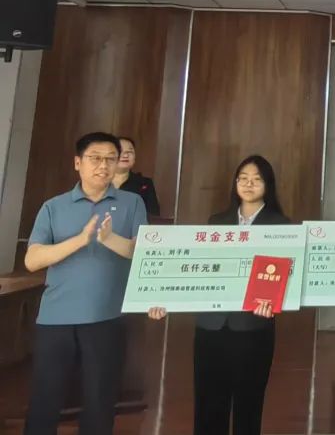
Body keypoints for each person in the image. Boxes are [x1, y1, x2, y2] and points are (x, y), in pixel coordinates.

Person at [147, 155, 288, 435]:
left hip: (252, 326)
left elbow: (284, 274)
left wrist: (272, 302)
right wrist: (164, 299)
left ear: (268, 185)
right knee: (208, 402)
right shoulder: (217, 222)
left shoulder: (281, 226)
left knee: (248, 403)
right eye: (243, 178)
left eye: (256, 179)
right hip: (210, 326)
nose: (248, 184)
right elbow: (199, 271)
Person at [23, 132, 148, 435]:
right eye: (95, 158)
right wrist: (79, 240)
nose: (103, 165)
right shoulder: (53, 206)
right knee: (45, 400)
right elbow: (33, 260)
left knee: (100, 402)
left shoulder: (132, 202)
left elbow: (142, 252)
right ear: (78, 163)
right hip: (55, 318)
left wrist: (109, 238)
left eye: (110, 159)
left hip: (107, 317)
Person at [113, 136, 161, 217]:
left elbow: (153, 215)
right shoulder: (98, 181)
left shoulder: (145, 184)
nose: (125, 155)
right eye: (120, 151)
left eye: (130, 152)